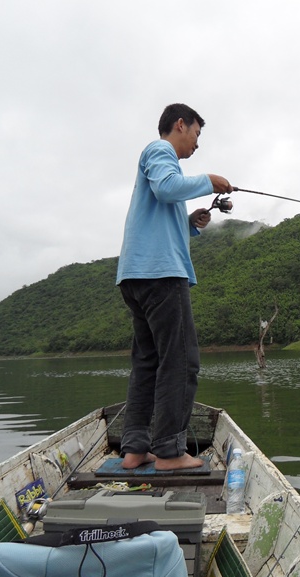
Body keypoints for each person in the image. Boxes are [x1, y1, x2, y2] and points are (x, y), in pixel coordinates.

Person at [116, 103, 232, 470]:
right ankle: (168, 450)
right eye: (196, 134)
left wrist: (190, 224)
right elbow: (168, 187)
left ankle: (135, 448)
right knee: (181, 362)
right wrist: (208, 182)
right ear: (180, 125)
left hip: (136, 277)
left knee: (148, 362)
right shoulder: (160, 151)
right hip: (161, 276)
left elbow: (162, 211)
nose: (196, 144)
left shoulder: (157, 163)